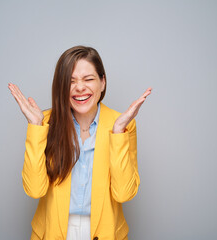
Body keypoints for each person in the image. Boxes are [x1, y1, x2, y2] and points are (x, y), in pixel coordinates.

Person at [8, 46, 152, 240]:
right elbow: (35, 190)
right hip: (52, 232)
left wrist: (118, 133)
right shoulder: (45, 122)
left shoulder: (123, 124)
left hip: (106, 233)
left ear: (102, 82)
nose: (79, 87)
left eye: (88, 79)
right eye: (70, 81)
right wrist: (36, 126)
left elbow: (123, 194)